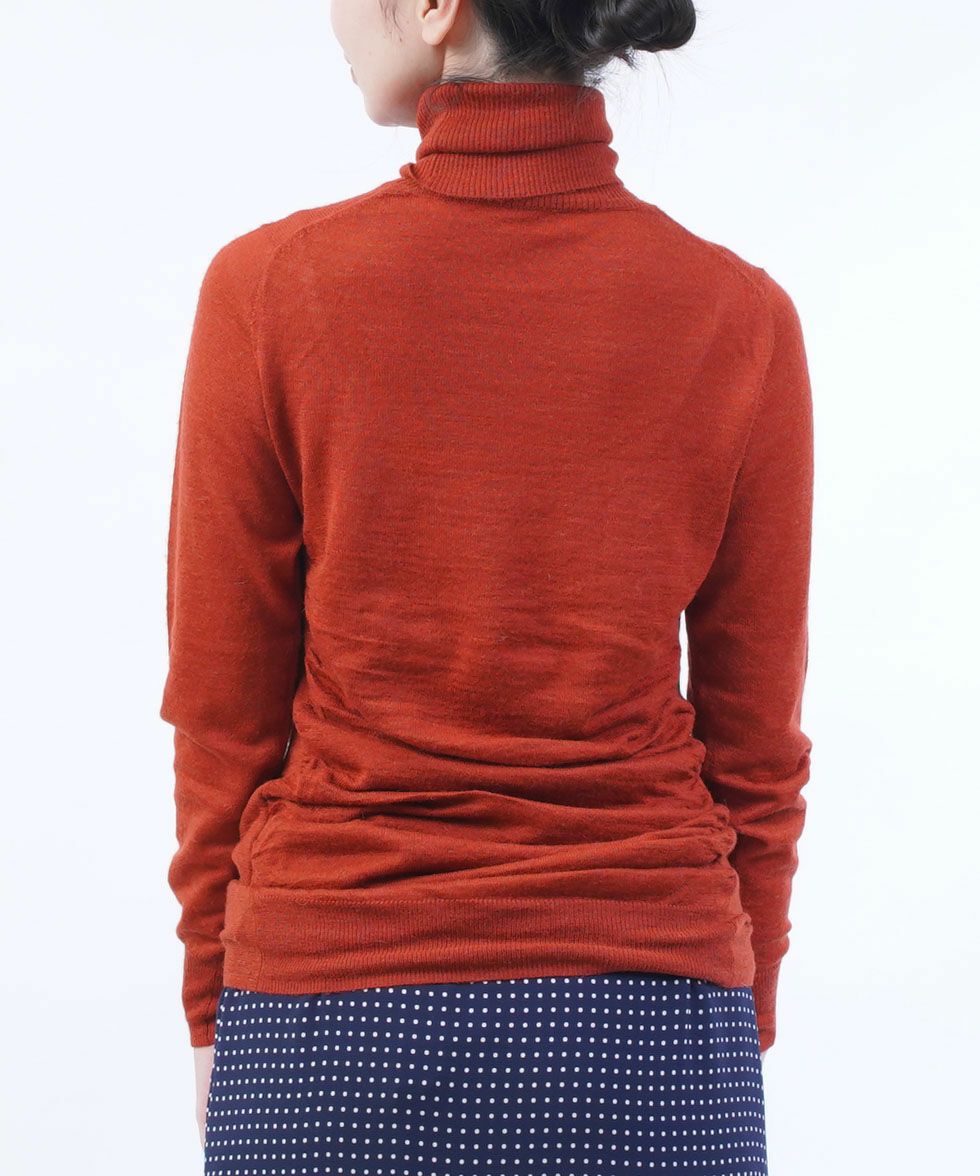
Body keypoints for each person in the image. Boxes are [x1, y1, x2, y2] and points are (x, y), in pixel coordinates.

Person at [160, 0, 814, 1170]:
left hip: (331, 1018)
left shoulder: (270, 289)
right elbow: (754, 737)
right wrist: (740, 996)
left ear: (433, 6)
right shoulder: (738, 316)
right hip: (649, 1019)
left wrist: (212, 997)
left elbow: (224, 709)